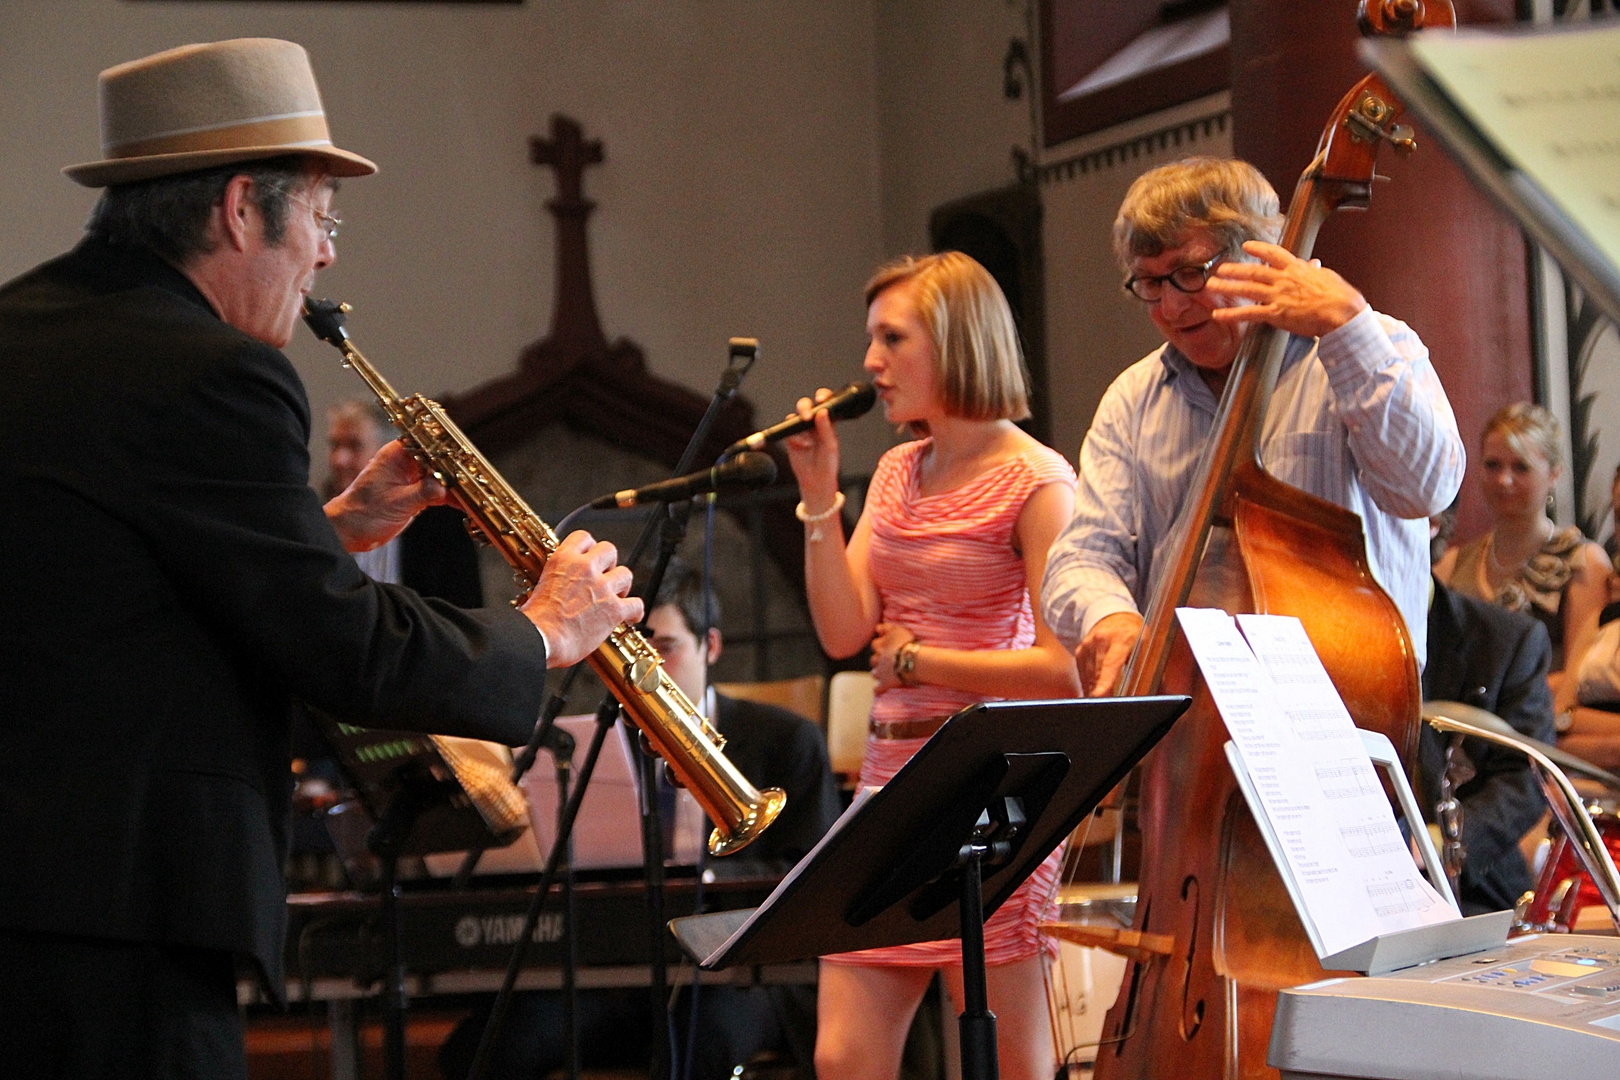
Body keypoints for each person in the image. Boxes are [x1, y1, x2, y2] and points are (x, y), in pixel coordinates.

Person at [0, 39, 639, 1077]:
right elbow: (348, 653)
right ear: (243, 208)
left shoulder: (28, 329)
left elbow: (119, 581)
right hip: (117, 916)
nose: (328, 255)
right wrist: (547, 629)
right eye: (323, 218)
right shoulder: (214, 371)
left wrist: (328, 530)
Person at [783, 251, 1081, 1080]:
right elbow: (845, 632)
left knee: (1004, 1062)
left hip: (991, 782)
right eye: (870, 340)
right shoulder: (896, 470)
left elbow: (1066, 671)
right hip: (889, 774)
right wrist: (817, 497)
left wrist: (918, 658)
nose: (871, 362)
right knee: (844, 1058)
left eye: (891, 338)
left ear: (954, 340)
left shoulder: (1038, 481)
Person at [1041, 157, 1465, 695]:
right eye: (1149, 284)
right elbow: (1084, 554)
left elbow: (1424, 490)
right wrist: (1108, 616)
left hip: (1349, 704)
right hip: (1190, 722)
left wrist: (1346, 328)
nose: (1171, 306)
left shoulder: (1375, 344)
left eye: (1190, 273)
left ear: (1258, 253)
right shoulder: (1132, 398)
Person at [439, 561, 842, 1080]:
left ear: (711, 646)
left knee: (697, 1045)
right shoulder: (600, 741)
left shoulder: (786, 739)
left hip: (741, 973)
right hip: (620, 969)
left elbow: (813, 879)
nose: (647, 666)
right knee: (484, 1048)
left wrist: (703, 881)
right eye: (633, 647)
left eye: (667, 646)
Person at [1421, 509, 1557, 915]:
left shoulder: (1505, 640)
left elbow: (1526, 776)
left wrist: (1444, 840)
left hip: (1471, 890)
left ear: (1429, 519)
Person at [1436, 403, 1609, 716]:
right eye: (1492, 465)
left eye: (1521, 467)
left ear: (1554, 473)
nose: (1504, 480)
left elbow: (1578, 677)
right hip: (1456, 732)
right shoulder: (1450, 564)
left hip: (1540, 728)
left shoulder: (1583, 562)